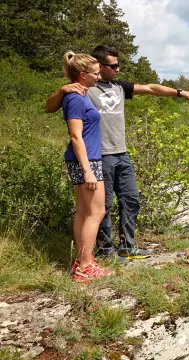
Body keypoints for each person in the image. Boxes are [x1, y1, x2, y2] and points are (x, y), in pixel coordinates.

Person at [46, 45, 189, 264]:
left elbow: (151, 88)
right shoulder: (83, 88)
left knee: (131, 199)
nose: (118, 69)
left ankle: (127, 247)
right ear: (100, 67)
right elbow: (50, 107)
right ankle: (105, 250)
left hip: (121, 153)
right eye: (114, 65)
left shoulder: (119, 87)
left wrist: (181, 93)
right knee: (103, 207)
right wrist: (63, 90)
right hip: (98, 155)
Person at [60, 51, 113, 282]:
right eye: (95, 72)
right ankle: (84, 267)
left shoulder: (79, 95)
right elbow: (75, 136)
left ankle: (85, 261)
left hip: (86, 160)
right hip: (86, 161)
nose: (99, 75)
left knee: (83, 211)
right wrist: (88, 170)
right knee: (97, 211)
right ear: (82, 75)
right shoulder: (74, 98)